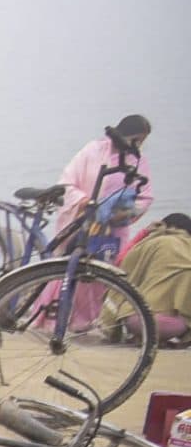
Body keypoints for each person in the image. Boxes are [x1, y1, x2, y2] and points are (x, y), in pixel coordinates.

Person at [55, 114, 152, 243]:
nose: (139, 145)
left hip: (116, 230)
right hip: (83, 222)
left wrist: (126, 214)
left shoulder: (139, 161)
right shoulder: (93, 150)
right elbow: (66, 184)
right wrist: (84, 201)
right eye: (137, 140)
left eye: (142, 142)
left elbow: (146, 196)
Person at [101, 211, 191, 346]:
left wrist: (144, 233)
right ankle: (169, 339)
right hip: (177, 326)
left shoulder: (151, 243)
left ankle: (141, 337)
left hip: (138, 321)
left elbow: (120, 262)